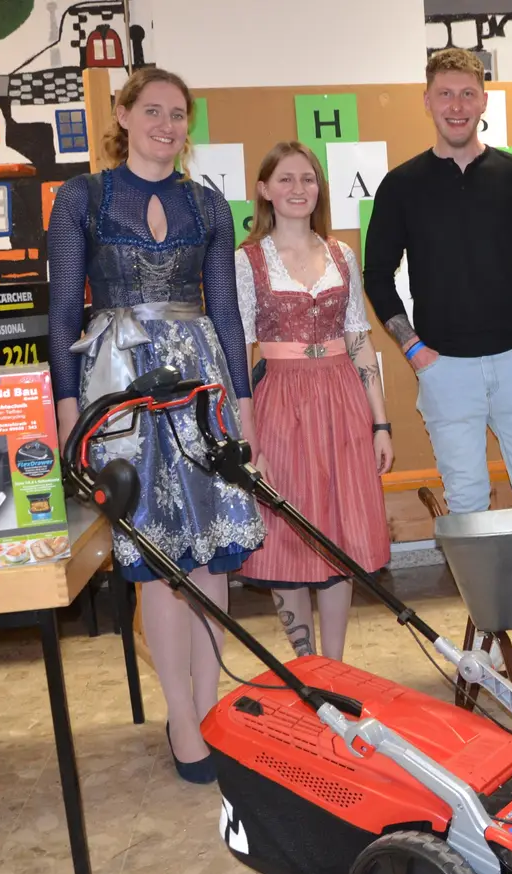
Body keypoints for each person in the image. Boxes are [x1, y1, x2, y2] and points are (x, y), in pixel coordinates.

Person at [47, 67, 263, 784]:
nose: (167, 125)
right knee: (157, 559)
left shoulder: (208, 205)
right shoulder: (84, 196)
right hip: (119, 385)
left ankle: (213, 709)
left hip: (198, 380)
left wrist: (245, 404)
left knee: (209, 553)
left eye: (178, 115)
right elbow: (62, 314)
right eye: (154, 111)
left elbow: (227, 313)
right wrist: (69, 410)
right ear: (125, 114)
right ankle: (182, 717)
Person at [363, 48, 512, 516]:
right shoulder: (400, 185)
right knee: (467, 502)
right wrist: (414, 350)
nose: (457, 105)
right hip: (443, 368)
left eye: (467, 94)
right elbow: (376, 275)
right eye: (445, 94)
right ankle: (486, 594)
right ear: (426, 101)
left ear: (484, 101)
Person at [234, 141, 395, 662]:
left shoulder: (342, 254)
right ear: (264, 190)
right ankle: (305, 663)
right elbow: (237, 351)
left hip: (341, 397)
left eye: (307, 179)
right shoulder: (247, 261)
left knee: (338, 529)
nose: (297, 189)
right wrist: (246, 434)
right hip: (280, 400)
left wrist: (381, 422)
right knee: (287, 529)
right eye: (285, 179)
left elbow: (359, 340)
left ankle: (335, 666)